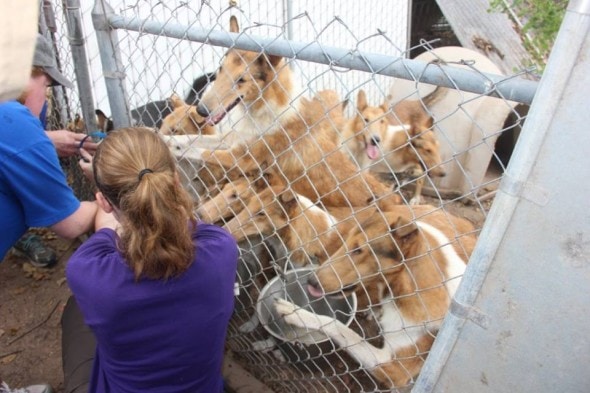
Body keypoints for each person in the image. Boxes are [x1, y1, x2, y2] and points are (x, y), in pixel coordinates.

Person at [63, 127, 238, 393]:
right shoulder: (220, 251)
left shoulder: (87, 271)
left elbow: (108, 227)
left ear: (103, 201)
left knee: (74, 313)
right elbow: (182, 222)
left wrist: (112, 196)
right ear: (176, 182)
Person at [0, 33, 99, 393]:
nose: (46, 97)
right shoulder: (10, 118)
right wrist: (106, 194)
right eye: (47, 86)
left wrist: (43, 139)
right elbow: (71, 224)